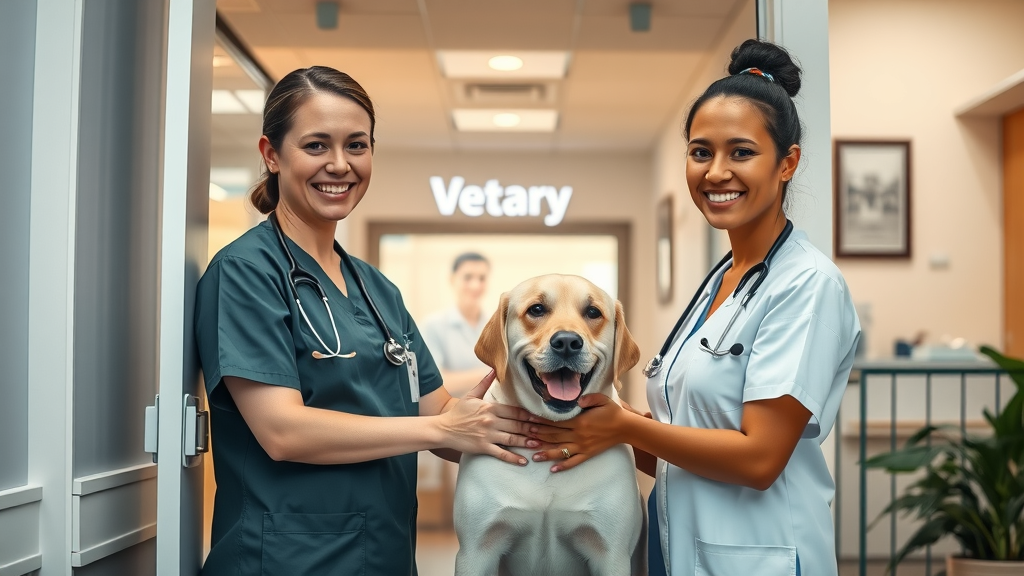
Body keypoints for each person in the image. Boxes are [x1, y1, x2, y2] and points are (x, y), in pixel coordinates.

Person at [528, 39, 861, 576]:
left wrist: (627, 428)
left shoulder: (807, 285)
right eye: (701, 151)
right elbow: (687, 442)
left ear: (787, 163)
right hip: (680, 547)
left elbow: (758, 460)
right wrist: (587, 424)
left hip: (762, 556)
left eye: (742, 152)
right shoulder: (722, 281)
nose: (715, 172)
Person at [193, 66, 538, 576]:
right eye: (316, 146)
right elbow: (282, 430)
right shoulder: (246, 272)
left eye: (357, 145)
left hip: (382, 555)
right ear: (271, 154)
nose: (340, 164)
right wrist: (440, 426)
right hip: (286, 559)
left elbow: (440, 415)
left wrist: (545, 429)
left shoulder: (377, 290)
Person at [420, 252, 492, 399]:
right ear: (452, 279)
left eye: (482, 278)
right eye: (468, 277)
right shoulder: (433, 325)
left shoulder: (495, 324)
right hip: (451, 413)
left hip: (492, 410)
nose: (475, 285)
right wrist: (492, 373)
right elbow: (433, 382)